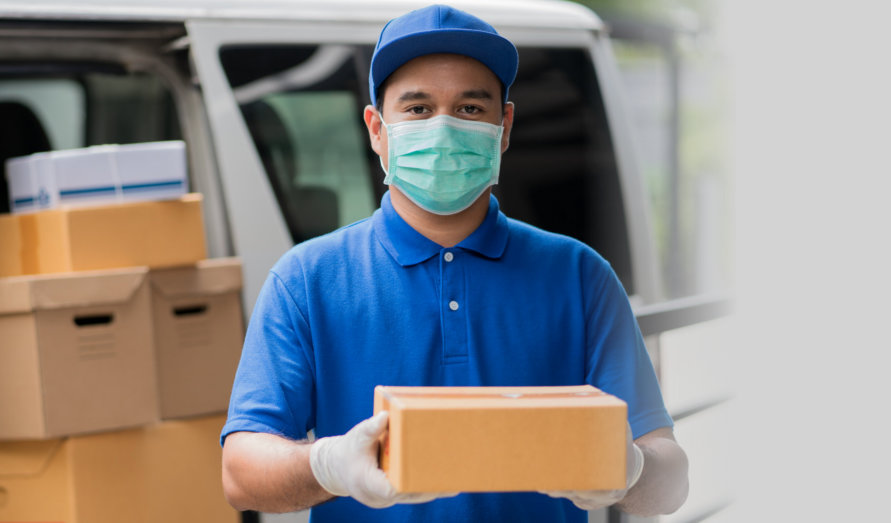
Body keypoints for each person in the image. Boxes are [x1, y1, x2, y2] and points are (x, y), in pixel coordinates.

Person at [218, 5, 689, 522]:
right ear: (377, 129)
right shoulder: (306, 280)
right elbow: (241, 471)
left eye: (469, 109)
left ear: (503, 126)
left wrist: (634, 471)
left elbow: (671, 479)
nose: (443, 129)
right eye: (417, 109)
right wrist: (327, 465)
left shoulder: (580, 277)